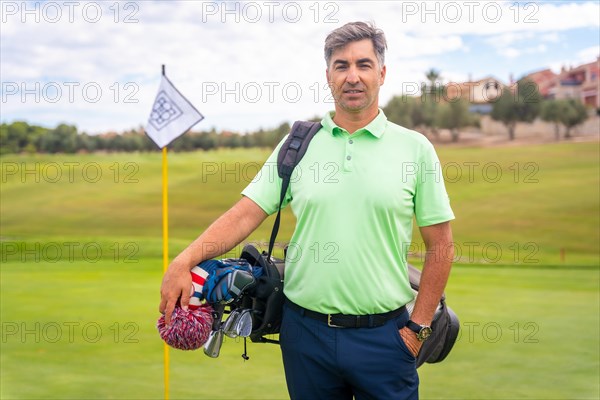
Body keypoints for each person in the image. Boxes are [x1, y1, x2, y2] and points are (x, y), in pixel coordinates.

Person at [159, 21, 455, 400]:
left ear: (382, 73)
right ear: (328, 75)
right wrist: (182, 262)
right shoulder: (297, 144)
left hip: (385, 338)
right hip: (305, 336)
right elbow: (246, 213)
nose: (352, 76)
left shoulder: (415, 149)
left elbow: (441, 244)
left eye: (363, 65)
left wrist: (417, 329)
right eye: (341, 65)